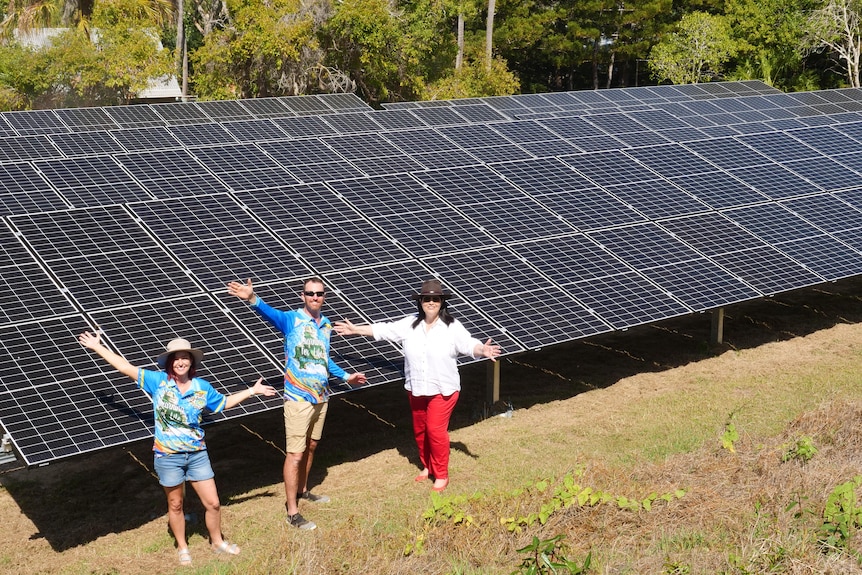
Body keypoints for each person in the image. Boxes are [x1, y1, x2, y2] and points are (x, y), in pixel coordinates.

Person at [77, 331, 277, 566]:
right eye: (176, 358)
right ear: (170, 362)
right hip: (167, 457)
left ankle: (217, 542)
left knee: (213, 503)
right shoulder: (157, 381)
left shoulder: (202, 387)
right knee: (175, 504)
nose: (181, 362)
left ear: (191, 361)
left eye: (185, 357)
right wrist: (97, 347)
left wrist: (252, 391)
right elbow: (125, 367)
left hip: (197, 455)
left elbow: (223, 404)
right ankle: (183, 547)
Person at [226, 277, 366, 530]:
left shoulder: (325, 325)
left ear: (324, 297)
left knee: (311, 446)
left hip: (321, 397)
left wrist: (346, 376)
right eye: (310, 293)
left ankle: (303, 489)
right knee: (295, 454)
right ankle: (292, 511)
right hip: (297, 400)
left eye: (319, 293)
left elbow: (323, 359)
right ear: (303, 296)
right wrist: (252, 298)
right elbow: (269, 313)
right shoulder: (291, 320)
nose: (315, 297)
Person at [334, 278, 500, 492]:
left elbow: (468, 344)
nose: (431, 302)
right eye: (427, 299)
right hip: (417, 388)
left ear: (442, 302)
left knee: (435, 430)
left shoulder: (452, 326)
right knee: (420, 430)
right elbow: (385, 330)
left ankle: (441, 475)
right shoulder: (410, 324)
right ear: (420, 301)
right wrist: (356, 330)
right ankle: (427, 466)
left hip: (444, 389)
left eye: (435, 299)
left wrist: (482, 350)